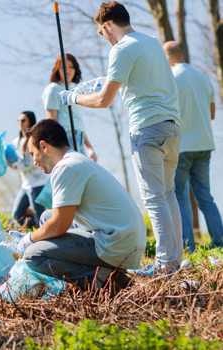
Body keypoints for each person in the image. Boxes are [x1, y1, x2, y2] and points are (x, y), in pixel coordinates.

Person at [61, 1, 182, 276]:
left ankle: (164, 266)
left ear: (107, 26)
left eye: (101, 33)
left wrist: (74, 98)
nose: (103, 39)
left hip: (147, 129)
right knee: (168, 194)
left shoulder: (121, 49)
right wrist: (103, 79)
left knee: (154, 198)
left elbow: (104, 101)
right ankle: (174, 261)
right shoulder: (150, 41)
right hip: (172, 126)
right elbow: (138, 78)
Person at [4, 119, 145, 292]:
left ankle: (106, 281)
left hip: (117, 243)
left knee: (34, 255)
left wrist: (29, 239)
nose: (34, 162)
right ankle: (96, 273)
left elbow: (59, 225)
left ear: (44, 146)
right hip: (123, 237)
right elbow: (55, 220)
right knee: (46, 217)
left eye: (33, 154)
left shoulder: (66, 167)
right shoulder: (76, 160)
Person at [163, 41, 223, 252]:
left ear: (167, 57)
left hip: (182, 146)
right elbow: (212, 113)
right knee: (205, 196)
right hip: (205, 144)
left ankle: (188, 247)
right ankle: (220, 243)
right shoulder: (203, 78)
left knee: (179, 195)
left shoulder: (171, 79)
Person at [42, 53, 97, 161]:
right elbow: (52, 121)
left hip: (79, 137)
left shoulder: (76, 91)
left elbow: (78, 122)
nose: (68, 70)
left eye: (71, 67)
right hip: (66, 137)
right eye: (63, 67)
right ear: (57, 69)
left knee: (84, 172)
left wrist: (89, 147)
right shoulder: (53, 89)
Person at [10, 111, 47, 228]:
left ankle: (44, 236)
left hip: (37, 184)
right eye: (18, 120)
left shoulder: (35, 139)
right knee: (17, 214)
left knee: (40, 216)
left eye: (23, 120)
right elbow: (14, 159)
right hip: (25, 185)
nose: (20, 123)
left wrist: (15, 166)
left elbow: (33, 162)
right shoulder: (16, 142)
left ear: (30, 121)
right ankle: (35, 231)